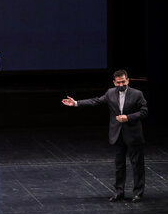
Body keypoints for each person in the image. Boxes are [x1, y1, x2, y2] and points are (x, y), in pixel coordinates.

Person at [61, 69, 148, 202]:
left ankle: (138, 193)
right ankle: (119, 192)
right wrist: (76, 103)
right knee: (119, 165)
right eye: (118, 82)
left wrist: (128, 117)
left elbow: (144, 112)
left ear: (128, 80)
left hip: (133, 135)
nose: (121, 85)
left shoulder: (137, 94)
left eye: (123, 81)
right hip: (117, 134)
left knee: (137, 165)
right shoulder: (110, 93)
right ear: (114, 82)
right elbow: (95, 101)